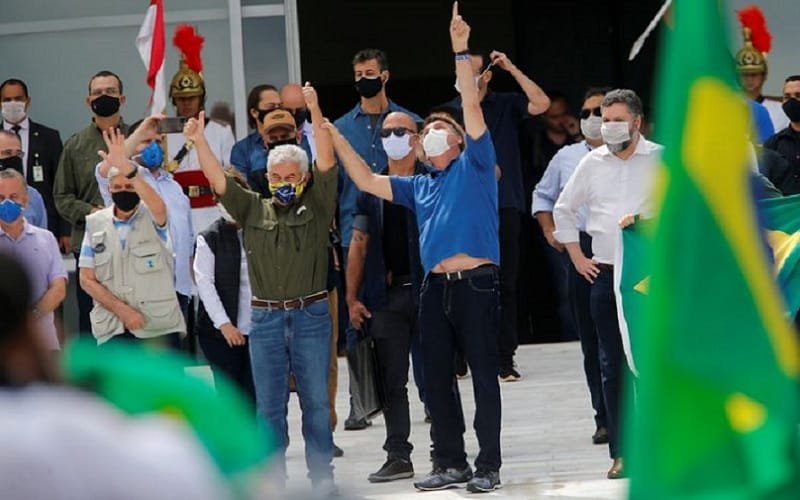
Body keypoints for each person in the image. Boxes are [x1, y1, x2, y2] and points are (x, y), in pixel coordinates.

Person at [327, 4, 502, 492]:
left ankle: (488, 466)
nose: (430, 132)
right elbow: (365, 179)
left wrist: (460, 49)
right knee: (437, 378)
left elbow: (470, 104)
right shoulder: (419, 186)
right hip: (434, 288)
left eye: (437, 128)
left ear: (459, 140)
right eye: (426, 131)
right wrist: (332, 133)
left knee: (483, 378)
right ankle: (451, 462)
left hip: (476, 284)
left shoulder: (475, 166)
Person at [185, 82, 338, 496]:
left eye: (291, 177)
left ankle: (322, 479)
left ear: (303, 178)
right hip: (265, 320)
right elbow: (218, 181)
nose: (283, 182)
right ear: (266, 179)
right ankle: (272, 482)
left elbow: (326, 161)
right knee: (269, 409)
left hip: (310, 316)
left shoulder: (318, 204)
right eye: (276, 177)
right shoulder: (253, 209)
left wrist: (316, 111)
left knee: (316, 404)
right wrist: (199, 141)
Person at [553, 89, 662, 479]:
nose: (609, 126)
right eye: (606, 119)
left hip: (649, 278)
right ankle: (622, 453)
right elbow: (563, 209)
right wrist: (577, 257)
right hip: (605, 274)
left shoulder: (662, 159)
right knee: (612, 365)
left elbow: (683, 211)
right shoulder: (592, 162)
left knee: (652, 363)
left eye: (618, 120)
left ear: (637, 122)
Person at [447, 48, 549, 381]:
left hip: (503, 204)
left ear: (487, 76)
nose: (464, 76)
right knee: (460, 281)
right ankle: (460, 354)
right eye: (460, 69)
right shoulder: (447, 113)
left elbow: (541, 103)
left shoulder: (506, 104)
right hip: (462, 208)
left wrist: (512, 68)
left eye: (472, 70)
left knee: (505, 283)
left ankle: (504, 357)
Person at [334, 47, 421, 431]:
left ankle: (430, 397)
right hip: (354, 230)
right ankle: (361, 403)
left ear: (385, 76)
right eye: (358, 75)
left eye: (369, 73)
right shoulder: (341, 129)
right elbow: (333, 184)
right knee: (359, 320)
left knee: (417, 323)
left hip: (403, 231)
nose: (363, 80)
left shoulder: (410, 122)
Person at [346, 111, 427, 483]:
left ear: (416, 137)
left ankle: (448, 452)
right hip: (387, 297)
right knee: (392, 382)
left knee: (438, 377)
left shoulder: (434, 179)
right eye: (387, 132)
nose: (393, 137)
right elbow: (358, 244)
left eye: (401, 131)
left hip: (430, 292)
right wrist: (352, 298)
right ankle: (398, 455)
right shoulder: (372, 188)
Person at [533, 87, 610, 445]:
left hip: (629, 245)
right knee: (592, 339)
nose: (592, 119)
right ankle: (604, 416)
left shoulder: (643, 155)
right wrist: (550, 232)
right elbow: (543, 195)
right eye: (586, 112)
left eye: (599, 111)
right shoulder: (567, 157)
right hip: (583, 249)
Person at [78, 128, 185, 347]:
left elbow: (158, 206)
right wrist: (122, 310)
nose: (124, 190)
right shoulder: (95, 224)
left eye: (129, 186)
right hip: (113, 329)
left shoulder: (155, 215)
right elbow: (86, 279)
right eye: (117, 187)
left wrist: (129, 170)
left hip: (157, 329)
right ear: (109, 189)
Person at [95, 118, 195, 323]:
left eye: (158, 141)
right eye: (146, 141)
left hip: (179, 290)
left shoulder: (174, 186)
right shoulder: (122, 179)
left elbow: (188, 239)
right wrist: (140, 132)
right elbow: (106, 170)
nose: (153, 147)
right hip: (141, 291)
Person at [54, 70, 128, 337]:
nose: (104, 97)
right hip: (91, 246)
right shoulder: (75, 145)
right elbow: (62, 196)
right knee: (94, 322)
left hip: (134, 243)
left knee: (135, 319)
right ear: (88, 101)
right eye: (98, 93)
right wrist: (93, 212)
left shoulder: (137, 139)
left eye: (110, 91)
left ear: (122, 99)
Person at [165, 30, 235, 232]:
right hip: (177, 209)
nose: (186, 103)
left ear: (201, 98)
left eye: (191, 98)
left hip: (213, 209)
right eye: (181, 99)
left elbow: (230, 173)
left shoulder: (221, 130)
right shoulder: (163, 133)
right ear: (174, 100)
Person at [194, 173, 255, 403]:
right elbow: (205, 284)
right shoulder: (209, 237)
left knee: (256, 398)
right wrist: (225, 325)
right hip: (221, 334)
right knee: (231, 398)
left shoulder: (260, 229)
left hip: (258, 329)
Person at [0, 169, 67, 354]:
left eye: (14, 197)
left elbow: (58, 288)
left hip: (44, 343)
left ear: (26, 200)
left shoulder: (46, 239)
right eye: (1, 198)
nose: (7, 203)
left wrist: (32, 317)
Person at [1, 78, 67, 246]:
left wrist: (65, 229)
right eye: (7, 100)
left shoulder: (49, 137)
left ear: (28, 101)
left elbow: (61, 185)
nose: (13, 103)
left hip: (40, 219)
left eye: (18, 98)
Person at [736, 13, 788, 134]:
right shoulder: (726, 107)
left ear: (764, 75)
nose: (749, 79)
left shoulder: (782, 110)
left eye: (754, 74)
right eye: (745, 74)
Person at [230, 84, 282, 182]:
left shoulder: (295, 139)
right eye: (271, 106)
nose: (276, 111)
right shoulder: (243, 149)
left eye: (279, 106)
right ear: (254, 112)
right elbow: (242, 186)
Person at [0, 130, 48, 229]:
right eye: (7, 153)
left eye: (18, 154)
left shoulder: (32, 195)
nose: (14, 158)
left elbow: (41, 234)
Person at [763, 76, 800, 195]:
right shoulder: (773, 143)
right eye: (787, 97)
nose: (792, 101)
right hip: (786, 206)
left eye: (798, 95)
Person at [282, 83, 318, 161]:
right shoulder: (274, 137)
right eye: (289, 110)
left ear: (306, 106)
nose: (294, 113)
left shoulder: (319, 134)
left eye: (299, 110)